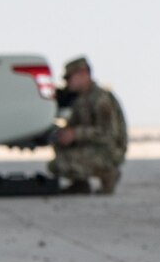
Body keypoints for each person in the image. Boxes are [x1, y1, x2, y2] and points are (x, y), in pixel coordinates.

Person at [48, 56, 127, 194]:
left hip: (108, 151)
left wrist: (76, 134)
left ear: (83, 74)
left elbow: (109, 134)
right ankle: (80, 183)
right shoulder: (80, 100)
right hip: (91, 146)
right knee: (59, 144)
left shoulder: (100, 99)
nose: (67, 82)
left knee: (60, 164)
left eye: (69, 78)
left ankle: (108, 173)